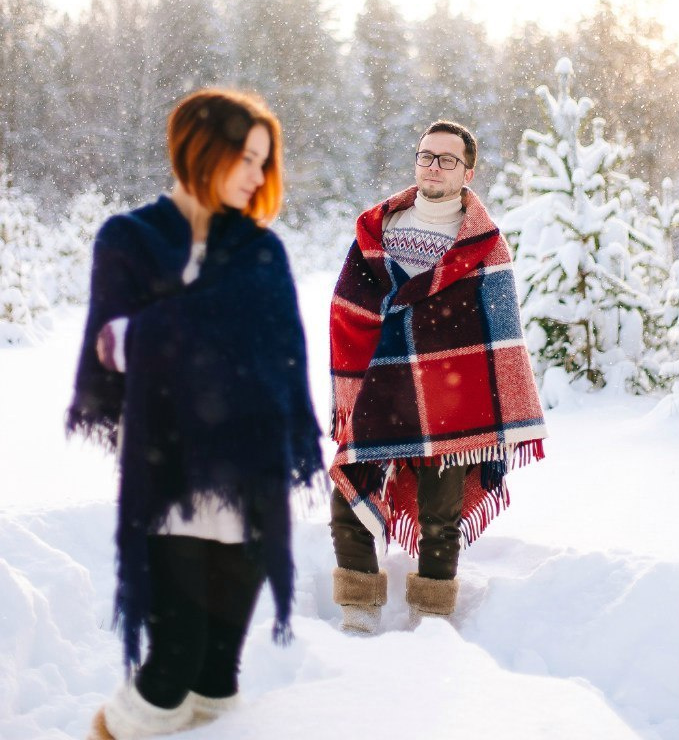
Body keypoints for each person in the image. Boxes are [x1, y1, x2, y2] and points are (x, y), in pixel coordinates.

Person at [67, 88, 324, 740]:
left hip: (250, 483)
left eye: (264, 162)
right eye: (245, 157)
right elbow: (110, 347)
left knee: (217, 676)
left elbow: (278, 356)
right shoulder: (130, 239)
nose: (256, 175)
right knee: (171, 666)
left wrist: (162, 340)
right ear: (199, 148)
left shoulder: (262, 252)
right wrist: (194, 337)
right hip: (170, 474)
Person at [328, 120, 547, 632]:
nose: (433, 165)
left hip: (450, 402)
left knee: (440, 515)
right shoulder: (376, 231)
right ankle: (357, 616)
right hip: (379, 392)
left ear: (467, 171)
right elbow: (348, 309)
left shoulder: (485, 246)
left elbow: (499, 338)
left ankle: (431, 621)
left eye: (447, 159)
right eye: (426, 155)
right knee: (348, 496)